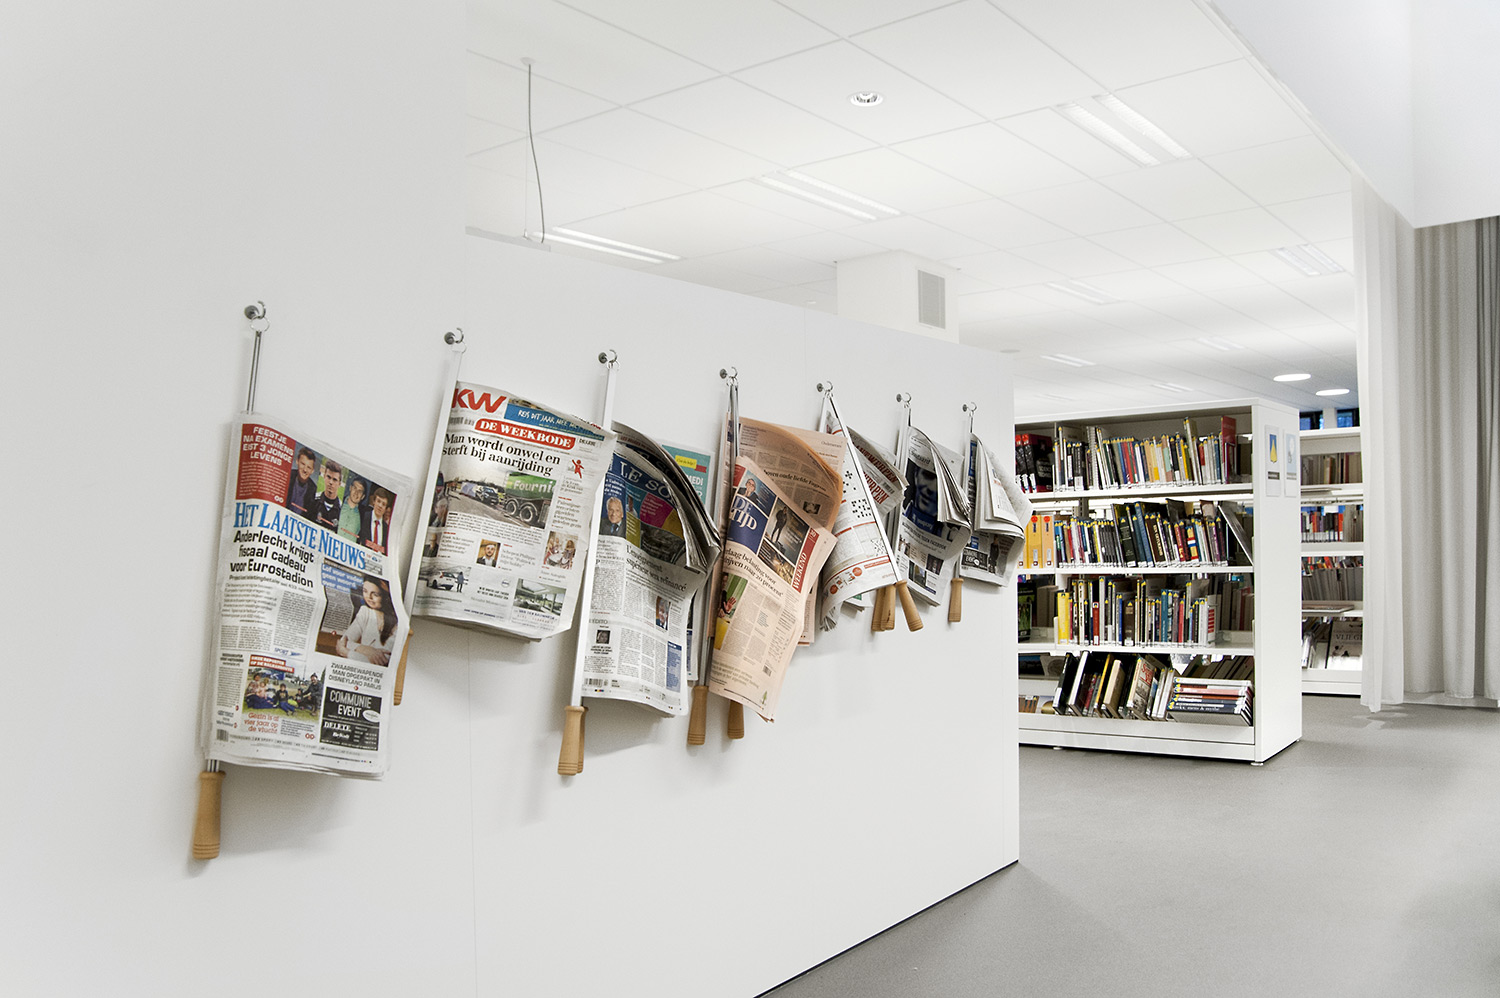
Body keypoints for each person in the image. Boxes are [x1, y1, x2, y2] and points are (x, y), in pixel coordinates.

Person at [336, 579, 397, 666]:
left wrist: (347, 653)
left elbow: (381, 661)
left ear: (386, 597)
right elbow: (344, 641)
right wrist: (366, 650)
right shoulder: (365, 611)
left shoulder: (396, 622)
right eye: (365, 591)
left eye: (375, 594)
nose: (369, 597)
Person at [285, 447, 318, 516]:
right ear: (297, 461)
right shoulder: (287, 475)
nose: (305, 470)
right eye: (303, 464)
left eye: (309, 467)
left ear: (312, 471)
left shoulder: (313, 490)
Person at [311, 460, 343, 529]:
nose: (331, 482)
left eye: (334, 480)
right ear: (324, 477)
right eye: (328, 477)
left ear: (339, 484)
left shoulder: (341, 509)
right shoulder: (314, 499)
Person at [362, 488, 393, 554]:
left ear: (386, 508)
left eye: (383, 504)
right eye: (378, 501)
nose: (380, 506)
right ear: (374, 501)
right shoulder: (363, 517)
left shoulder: (387, 529)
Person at [338, 476, 366, 540]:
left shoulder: (363, 516)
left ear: (363, 496)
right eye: (355, 488)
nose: (356, 493)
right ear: (350, 488)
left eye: (360, 491)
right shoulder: (338, 502)